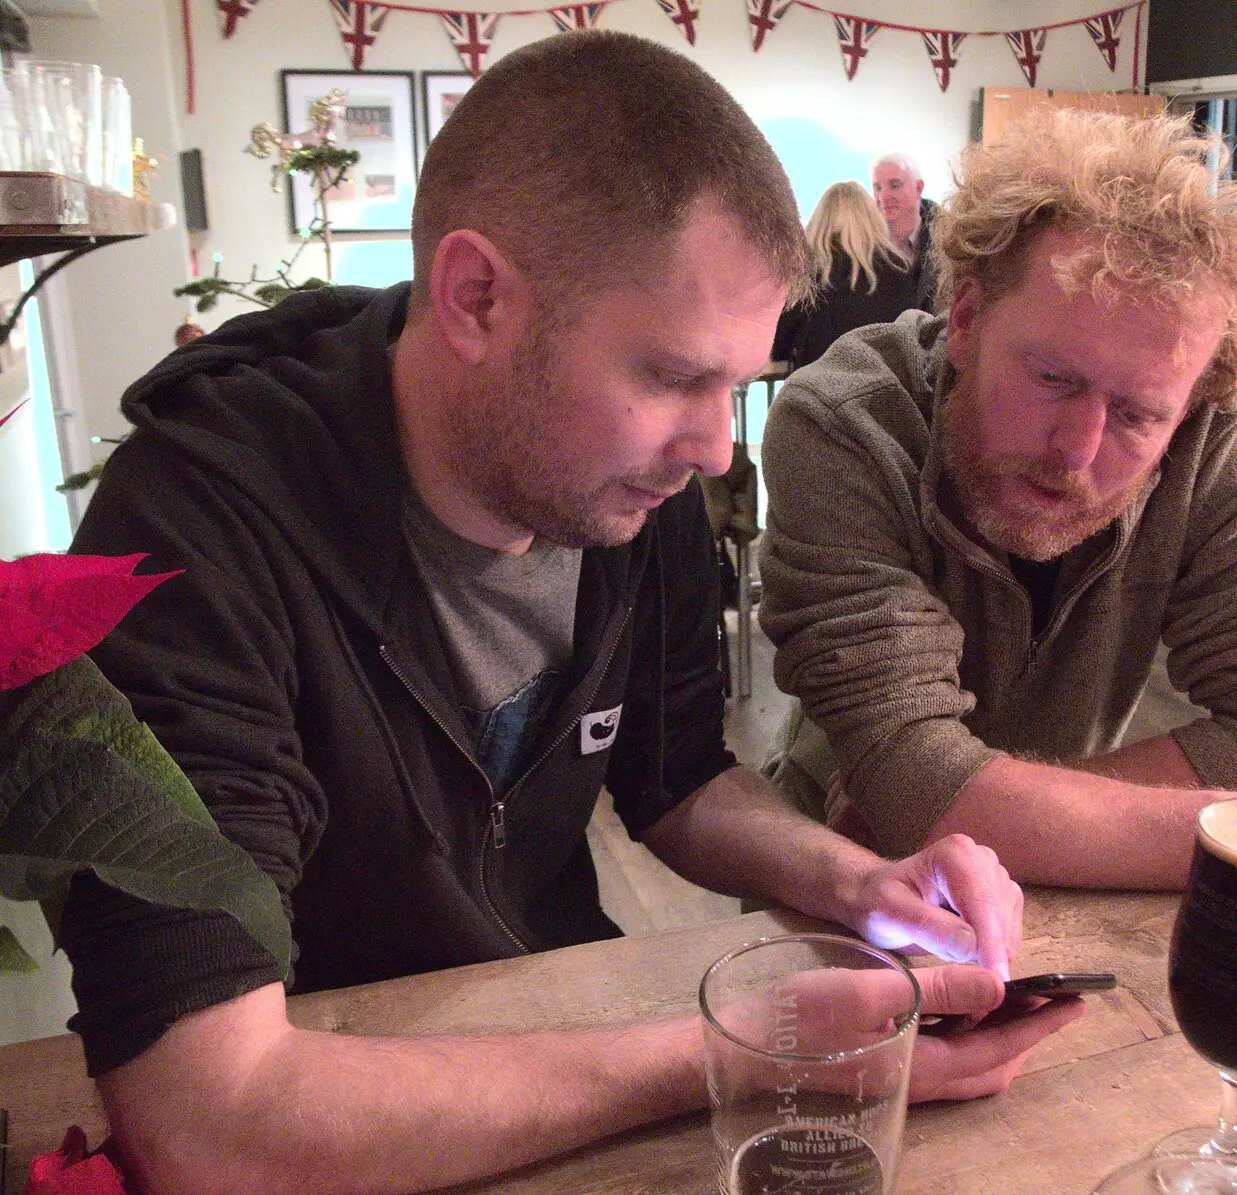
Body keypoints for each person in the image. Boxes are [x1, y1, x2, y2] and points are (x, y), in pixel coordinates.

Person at [56, 33, 1079, 1195]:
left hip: (563, 1049)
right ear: (477, 296)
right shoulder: (197, 528)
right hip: (333, 1120)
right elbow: (208, 1121)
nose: (708, 452)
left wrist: (860, 881)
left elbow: (678, 775)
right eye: (671, 377)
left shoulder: (631, 498)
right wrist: (747, 1050)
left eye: (733, 389)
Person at [759, 106, 1237, 937]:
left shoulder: (1209, 440)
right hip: (841, 881)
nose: (1077, 451)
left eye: (1136, 414)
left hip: (1085, 896)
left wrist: (1016, 815)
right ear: (965, 319)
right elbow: (917, 782)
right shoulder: (844, 423)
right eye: (1054, 377)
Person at [770, 180, 930, 372]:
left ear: (820, 220)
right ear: (872, 219)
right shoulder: (900, 269)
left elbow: (779, 345)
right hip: (883, 393)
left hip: (818, 392)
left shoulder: (805, 270)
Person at [871, 151, 939, 299]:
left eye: (894, 186)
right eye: (878, 188)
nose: (883, 197)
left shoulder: (948, 240)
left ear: (919, 188)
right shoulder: (861, 243)